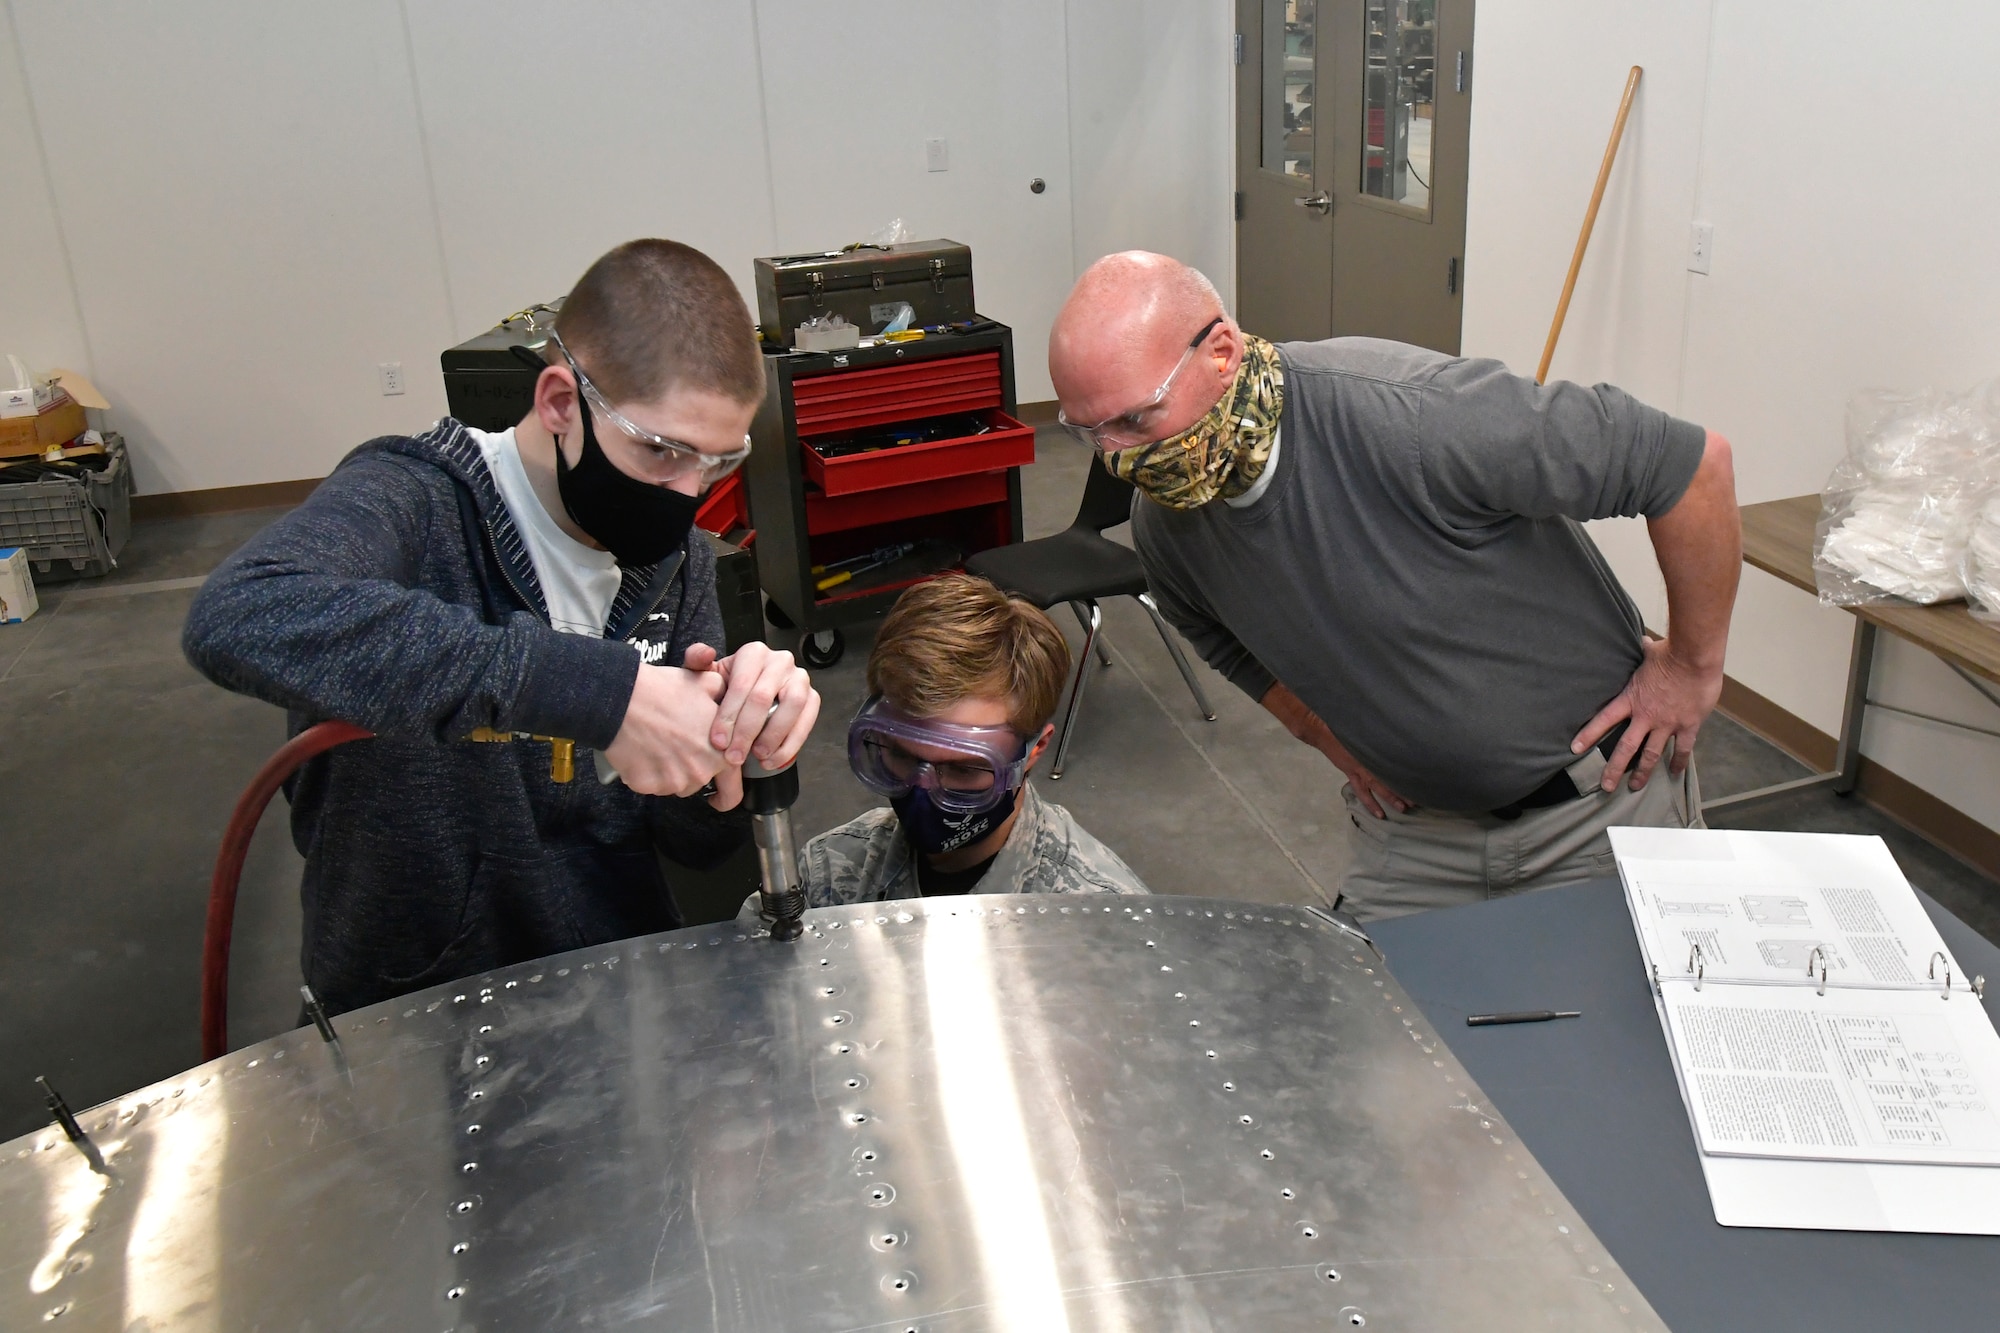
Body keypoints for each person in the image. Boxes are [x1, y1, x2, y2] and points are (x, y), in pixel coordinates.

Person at [185, 239, 820, 1014]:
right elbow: (242, 611)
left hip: (609, 993)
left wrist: (736, 745)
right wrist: (591, 691)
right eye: (661, 451)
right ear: (560, 402)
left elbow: (687, 841)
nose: (687, 493)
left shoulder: (672, 561)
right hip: (413, 1006)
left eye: (717, 463)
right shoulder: (412, 503)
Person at [1047, 251, 1740, 920]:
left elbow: (1690, 467)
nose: (1119, 458)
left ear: (1221, 353)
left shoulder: (1417, 417)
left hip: (1602, 805)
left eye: (1136, 420)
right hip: (1415, 838)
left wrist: (1689, 667)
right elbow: (1213, 633)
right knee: (1376, 1027)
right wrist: (1320, 731)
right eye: (1089, 433)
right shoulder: (1167, 527)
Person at [748, 574, 1149, 915]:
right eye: (902, 755)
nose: (924, 791)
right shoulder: (831, 876)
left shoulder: (1097, 918)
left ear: (1034, 751)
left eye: (963, 768)